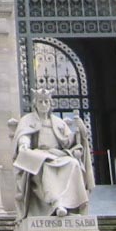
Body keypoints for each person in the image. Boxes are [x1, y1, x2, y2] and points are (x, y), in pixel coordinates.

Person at [11, 88, 94, 218]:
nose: (43, 105)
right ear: (35, 104)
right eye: (40, 102)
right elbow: (23, 135)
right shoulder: (27, 120)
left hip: (58, 155)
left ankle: (73, 206)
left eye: (46, 102)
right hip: (39, 154)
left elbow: (69, 142)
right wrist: (24, 144)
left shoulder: (58, 122)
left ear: (50, 103)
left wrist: (80, 132)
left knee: (73, 163)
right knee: (45, 165)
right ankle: (57, 203)